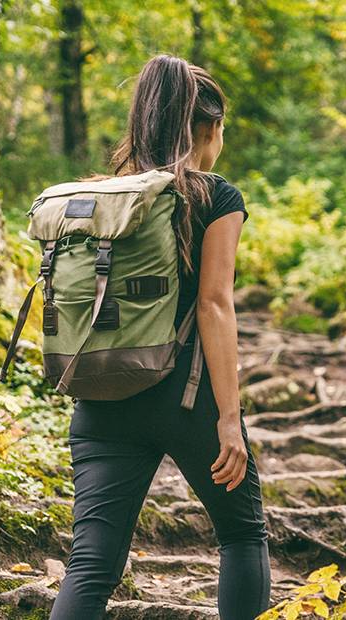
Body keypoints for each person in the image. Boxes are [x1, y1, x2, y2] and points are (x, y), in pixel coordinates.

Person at [49, 54, 270, 620]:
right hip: (186, 397)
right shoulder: (214, 195)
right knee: (243, 534)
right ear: (207, 128)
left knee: (91, 564)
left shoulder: (102, 199)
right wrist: (228, 418)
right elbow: (214, 305)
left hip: (101, 397)